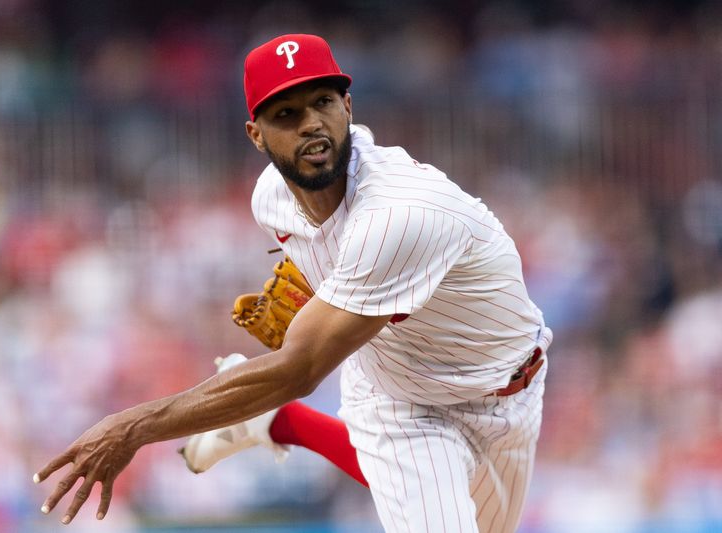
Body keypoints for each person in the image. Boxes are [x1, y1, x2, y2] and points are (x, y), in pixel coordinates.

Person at [34, 34, 552, 533]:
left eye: (322, 101)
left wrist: (133, 426)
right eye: (286, 114)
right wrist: (323, 293)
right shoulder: (272, 200)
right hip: (397, 397)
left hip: (510, 387)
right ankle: (278, 417)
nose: (310, 124)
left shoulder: (401, 212)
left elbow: (298, 369)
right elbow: (317, 303)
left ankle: (278, 421)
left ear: (348, 106)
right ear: (256, 134)